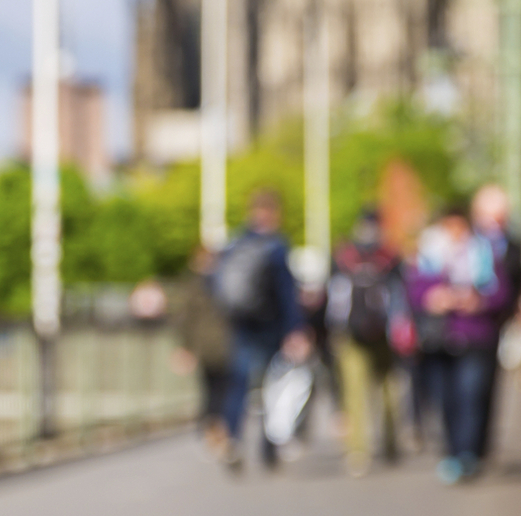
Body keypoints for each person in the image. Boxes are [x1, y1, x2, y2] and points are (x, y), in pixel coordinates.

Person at [407, 205, 509, 485]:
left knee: (471, 395)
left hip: (475, 337)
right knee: (446, 400)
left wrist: (478, 301)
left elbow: (501, 293)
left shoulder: (484, 253)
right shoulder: (429, 255)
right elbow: (413, 291)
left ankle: (468, 453)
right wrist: (434, 297)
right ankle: (453, 451)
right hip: (440, 340)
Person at [210, 190, 309, 472]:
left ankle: (233, 438)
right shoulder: (276, 247)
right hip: (269, 327)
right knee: (271, 388)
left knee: (239, 384)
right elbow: (287, 293)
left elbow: (215, 286)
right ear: (274, 214)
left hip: (240, 326)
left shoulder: (234, 243)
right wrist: (296, 329)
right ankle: (268, 447)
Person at [324, 209, 407, 476]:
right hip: (378, 332)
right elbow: (400, 295)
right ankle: (389, 444)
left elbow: (331, 295)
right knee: (386, 390)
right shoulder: (390, 256)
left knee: (357, 393)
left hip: (352, 333)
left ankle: (359, 451)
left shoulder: (343, 255)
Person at [471, 185, 521, 461]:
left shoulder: (513, 245)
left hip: (493, 325)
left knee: (485, 385)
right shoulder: (466, 243)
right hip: (460, 326)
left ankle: (480, 445)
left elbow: (518, 283)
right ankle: (462, 444)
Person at [171, 248, 232, 458]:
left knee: (217, 390)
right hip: (215, 347)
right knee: (215, 390)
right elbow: (185, 319)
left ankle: (214, 431)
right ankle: (215, 431)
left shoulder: (198, 285)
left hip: (216, 346)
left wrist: (185, 347)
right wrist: (185, 348)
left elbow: (184, 319)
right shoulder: (221, 282)